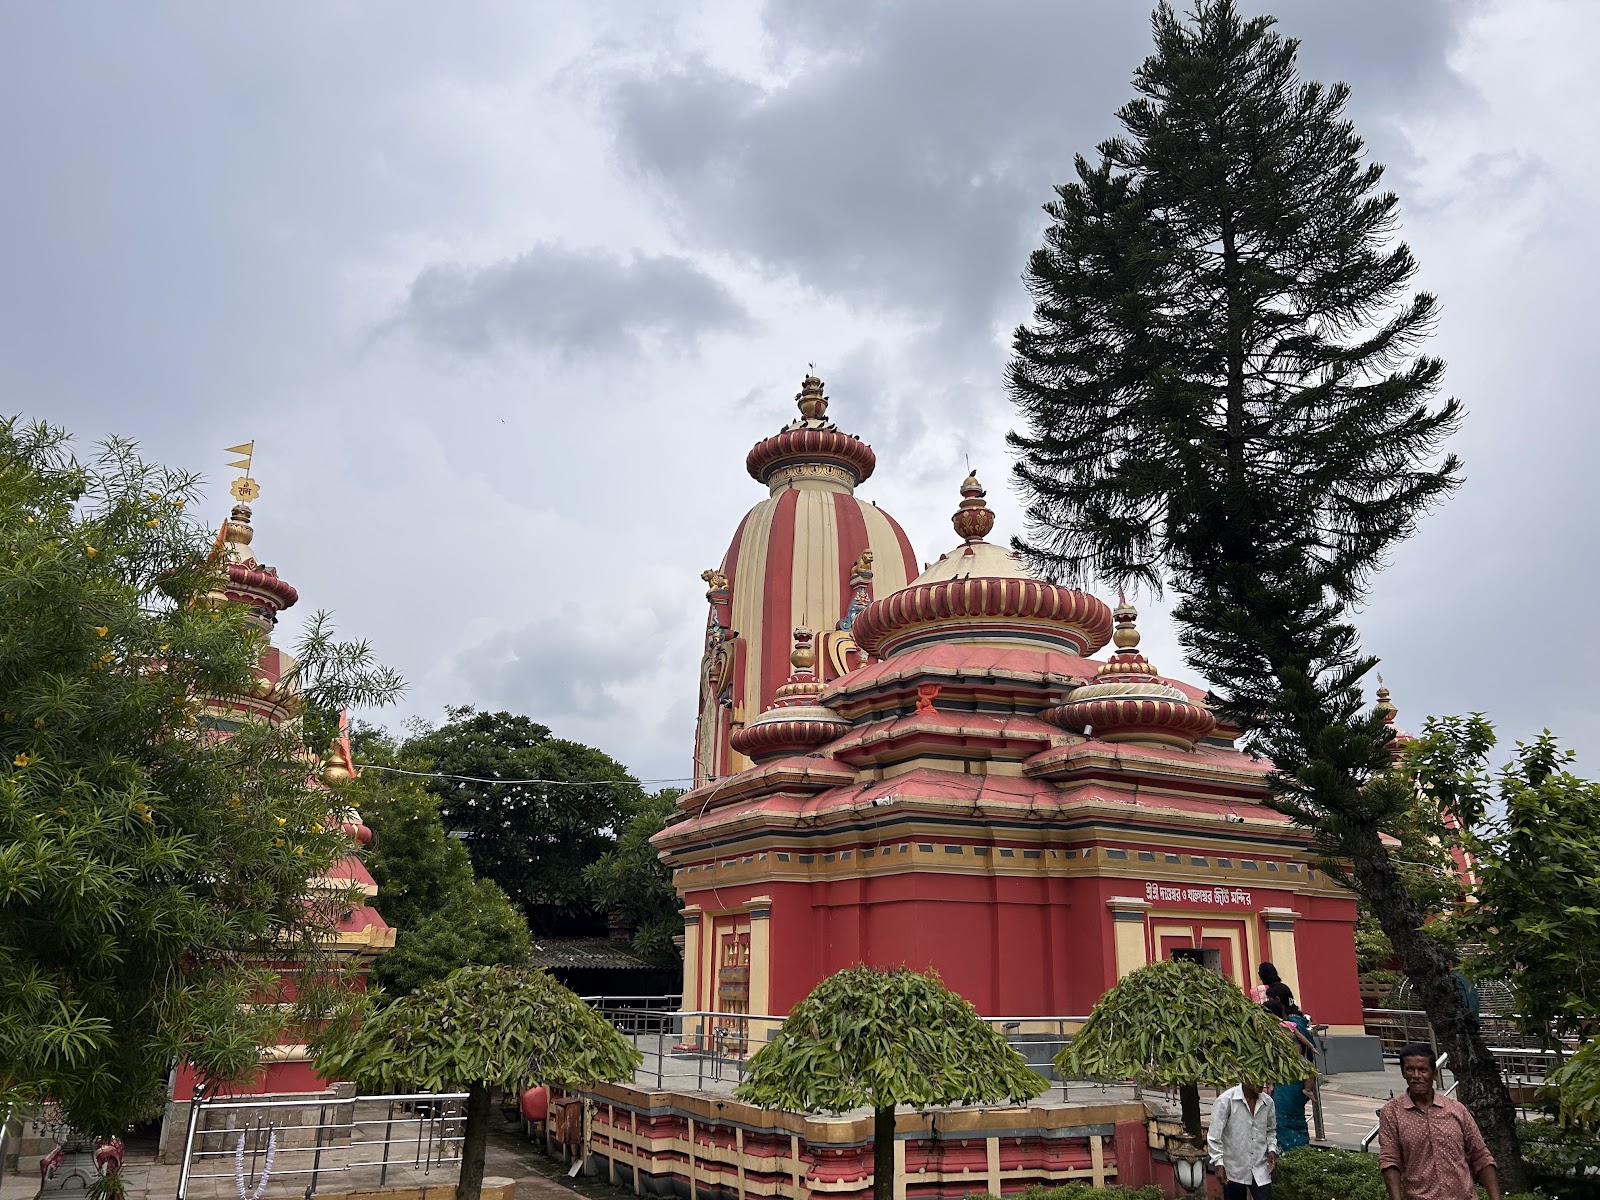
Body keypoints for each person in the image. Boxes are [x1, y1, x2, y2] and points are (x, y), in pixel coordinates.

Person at [1378, 1044, 1500, 1200]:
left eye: (1423, 1070)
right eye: (1410, 1069)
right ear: (1403, 1073)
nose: (1416, 1075)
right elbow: (1390, 1160)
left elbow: (1481, 1156)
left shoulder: (1456, 1110)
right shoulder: (1392, 1113)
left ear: (1434, 1073)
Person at [1207, 1081, 1277, 1199]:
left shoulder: (1268, 1102)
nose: (1261, 1083)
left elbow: (1271, 1130)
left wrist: (1272, 1150)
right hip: (1233, 1169)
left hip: (1260, 1166)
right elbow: (1214, 1135)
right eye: (1257, 1079)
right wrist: (1218, 1163)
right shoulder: (1226, 1100)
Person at [1263, 999, 1314, 1152]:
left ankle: (1288, 1153)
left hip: (1287, 1080)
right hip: (1293, 1079)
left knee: (1282, 1119)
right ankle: (1298, 1152)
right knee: (1293, 1119)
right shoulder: (1292, 1026)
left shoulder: (1277, 1031)